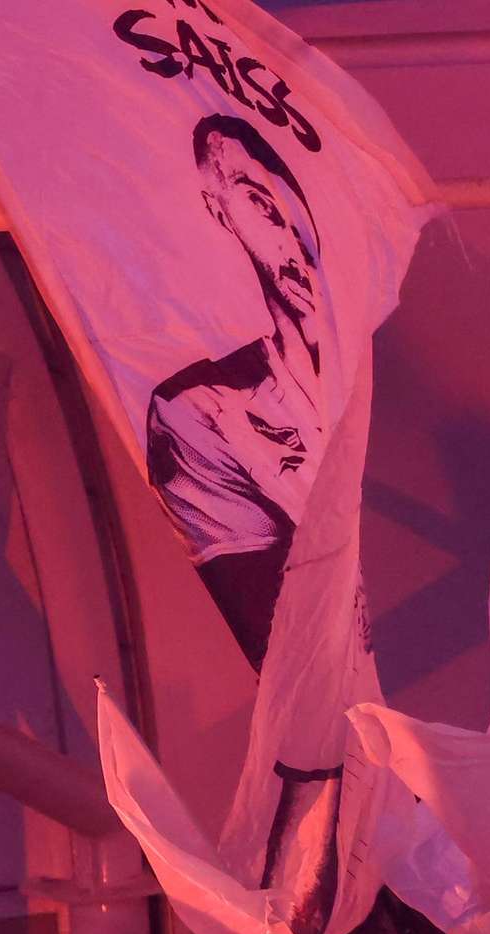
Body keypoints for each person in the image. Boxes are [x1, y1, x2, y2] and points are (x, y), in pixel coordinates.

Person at [141, 113, 330, 666]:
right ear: (219, 211)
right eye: (262, 204)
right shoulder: (207, 413)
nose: (294, 233)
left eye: (307, 206)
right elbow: (280, 659)